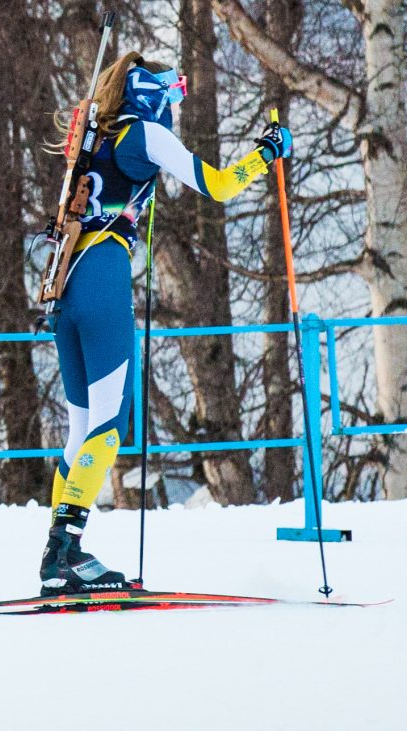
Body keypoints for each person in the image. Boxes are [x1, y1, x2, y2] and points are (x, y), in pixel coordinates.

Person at [40, 56, 287, 596]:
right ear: (152, 98)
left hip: (66, 282)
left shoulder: (95, 137)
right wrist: (265, 155)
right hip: (103, 275)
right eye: (170, 99)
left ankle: (59, 554)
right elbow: (217, 186)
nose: (172, 110)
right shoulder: (143, 133)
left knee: (81, 428)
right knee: (110, 426)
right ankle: (67, 550)